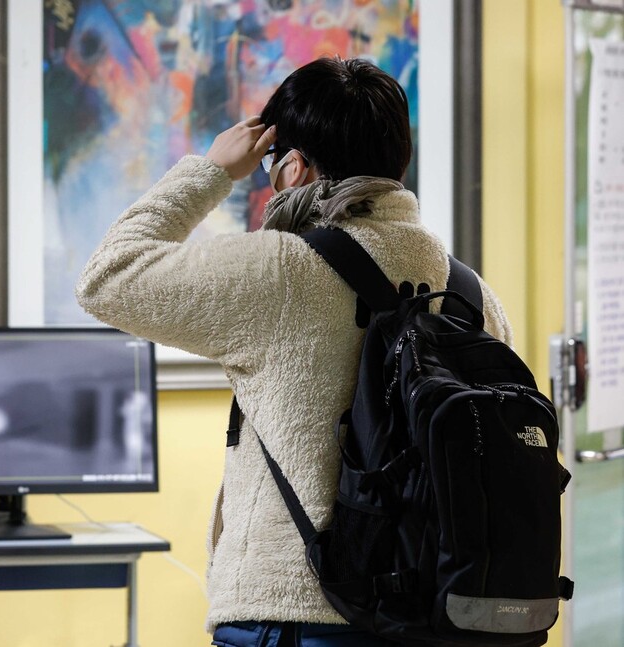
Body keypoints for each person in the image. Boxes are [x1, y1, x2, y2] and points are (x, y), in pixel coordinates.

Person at [76, 57, 513, 646]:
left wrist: (211, 171)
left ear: (293, 170)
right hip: (439, 614)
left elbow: (108, 277)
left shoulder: (280, 270)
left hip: (298, 617)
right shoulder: (470, 293)